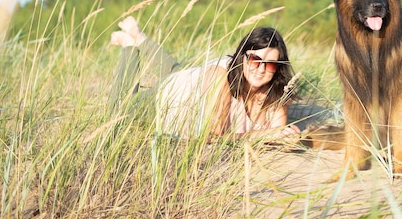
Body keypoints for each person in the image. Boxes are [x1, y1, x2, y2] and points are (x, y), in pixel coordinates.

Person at [109, 16, 301, 142]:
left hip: (193, 83)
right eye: (254, 59)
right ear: (242, 56)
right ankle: (129, 45)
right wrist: (267, 135)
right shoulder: (222, 79)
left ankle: (139, 36)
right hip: (167, 97)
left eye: (270, 64)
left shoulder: (277, 90)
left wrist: (287, 139)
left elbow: (278, 132)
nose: (261, 69)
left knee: (179, 72)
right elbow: (213, 136)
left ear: (278, 67)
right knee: (119, 112)